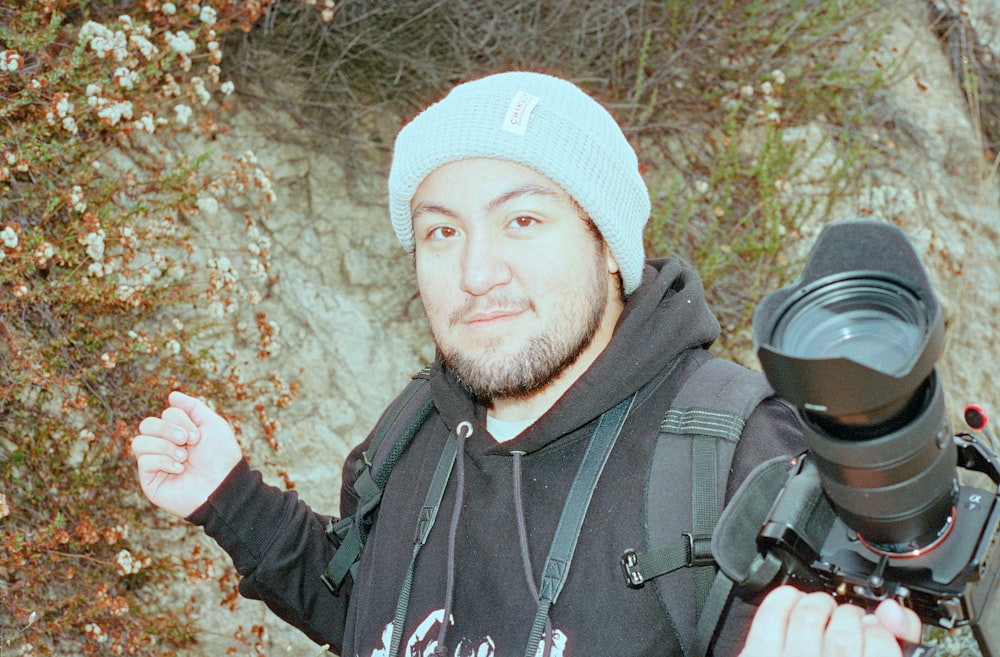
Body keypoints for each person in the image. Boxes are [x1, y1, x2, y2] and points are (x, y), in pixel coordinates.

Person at [133, 71, 922, 657]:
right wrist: (229, 497)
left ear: (609, 248)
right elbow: (374, 618)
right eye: (441, 232)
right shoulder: (415, 431)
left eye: (522, 219)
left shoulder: (737, 460)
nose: (477, 271)